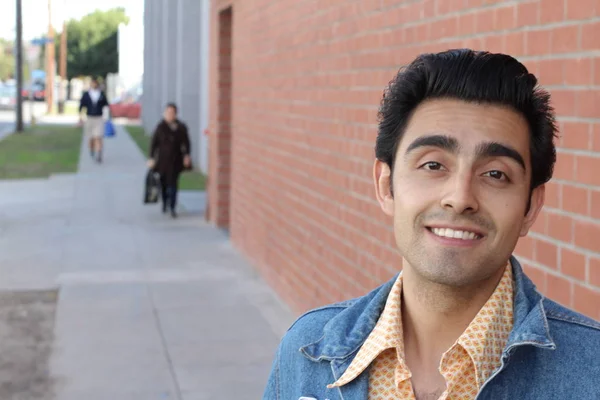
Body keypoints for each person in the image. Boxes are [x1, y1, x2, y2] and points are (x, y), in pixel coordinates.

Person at [263, 49, 600, 399]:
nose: (460, 196)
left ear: (531, 207)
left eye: (496, 173)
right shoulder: (305, 352)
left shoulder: (592, 371)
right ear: (385, 185)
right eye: (433, 165)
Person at [147, 103, 191, 218]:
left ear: (176, 114)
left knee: (173, 184)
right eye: (168, 112)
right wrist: (151, 158)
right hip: (162, 161)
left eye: (172, 112)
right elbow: (154, 144)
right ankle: (165, 201)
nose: (170, 114)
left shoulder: (180, 127)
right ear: (165, 113)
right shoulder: (160, 127)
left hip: (176, 160)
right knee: (163, 183)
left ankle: (172, 206)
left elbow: (186, 143)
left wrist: (186, 156)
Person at [79, 77, 109, 163]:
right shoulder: (86, 95)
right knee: (91, 137)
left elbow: (106, 106)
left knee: (98, 136)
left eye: (95, 83)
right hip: (89, 118)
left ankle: (99, 153)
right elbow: (82, 105)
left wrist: (106, 117)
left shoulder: (101, 95)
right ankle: (92, 150)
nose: (94, 84)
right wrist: (80, 117)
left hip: (99, 118)